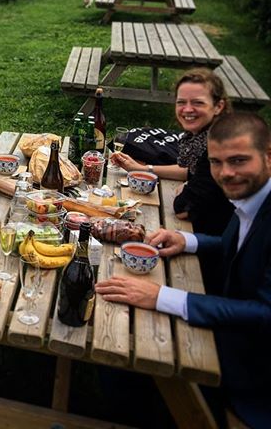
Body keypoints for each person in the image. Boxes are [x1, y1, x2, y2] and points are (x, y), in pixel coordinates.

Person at [97, 112, 271, 429]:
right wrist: (188, 240)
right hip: (235, 324)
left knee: (124, 347)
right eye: (216, 163)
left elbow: (264, 313)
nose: (226, 173)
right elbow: (236, 245)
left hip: (255, 364)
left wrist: (164, 296)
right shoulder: (253, 195)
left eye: (239, 160)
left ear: (268, 156)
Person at [111, 69, 234, 238]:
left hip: (214, 241)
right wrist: (143, 168)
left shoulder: (219, 149)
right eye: (181, 102)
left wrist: (187, 187)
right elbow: (190, 172)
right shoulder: (205, 137)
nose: (187, 109)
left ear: (218, 106)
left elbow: (183, 208)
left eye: (198, 103)